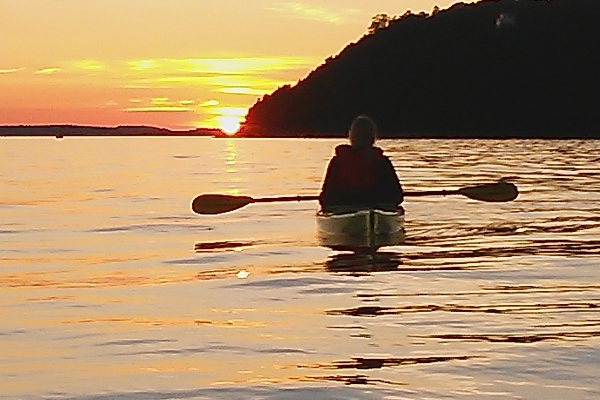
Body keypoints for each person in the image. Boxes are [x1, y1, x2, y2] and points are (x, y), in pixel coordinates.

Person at [319, 115, 403, 212]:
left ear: (351, 136)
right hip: (371, 207)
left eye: (364, 136)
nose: (362, 139)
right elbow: (397, 196)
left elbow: (325, 198)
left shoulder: (337, 161)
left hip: (348, 207)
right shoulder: (382, 161)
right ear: (373, 138)